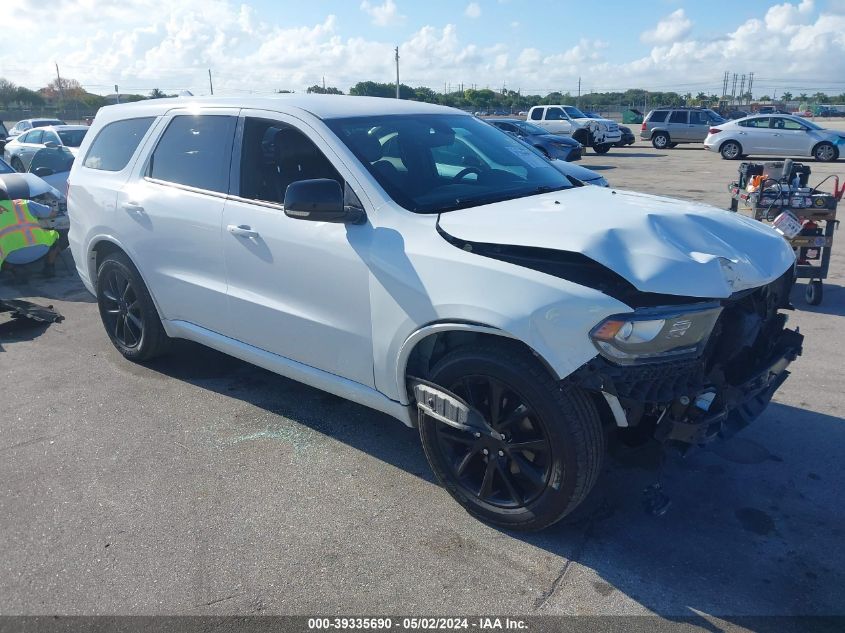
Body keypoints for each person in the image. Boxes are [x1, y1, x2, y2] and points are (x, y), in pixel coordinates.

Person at [0, 186, 63, 278]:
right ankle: (49, 266)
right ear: (8, 196)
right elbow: (52, 213)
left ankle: (14, 268)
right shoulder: (23, 203)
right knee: (55, 235)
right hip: (40, 249)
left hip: (10, 256)